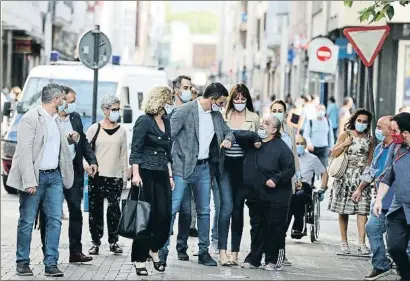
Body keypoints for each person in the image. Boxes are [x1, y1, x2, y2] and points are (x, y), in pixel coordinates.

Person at [159, 82, 235, 267]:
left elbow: (229, 132)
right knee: (173, 209)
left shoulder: (216, 116)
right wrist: (170, 165)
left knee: (204, 211)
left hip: (203, 168)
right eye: (221, 102)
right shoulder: (185, 110)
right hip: (181, 169)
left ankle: (203, 252)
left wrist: (227, 139)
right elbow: (168, 138)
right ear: (211, 99)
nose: (223, 106)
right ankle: (161, 251)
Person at [7, 84, 74, 277]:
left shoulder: (56, 120)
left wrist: (69, 138)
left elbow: (53, 145)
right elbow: (26, 151)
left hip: (54, 177)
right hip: (35, 176)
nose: (64, 102)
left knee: (55, 220)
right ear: (55, 99)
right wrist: (29, 181)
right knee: (27, 221)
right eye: (62, 99)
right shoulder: (30, 118)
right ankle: (22, 262)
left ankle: (51, 263)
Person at [38, 86, 98, 263]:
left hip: (73, 171)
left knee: (75, 211)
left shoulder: (76, 117)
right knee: (49, 213)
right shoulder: (50, 118)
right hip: (53, 170)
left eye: (74, 102)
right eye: (70, 102)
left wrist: (92, 161)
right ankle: (47, 251)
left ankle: (75, 251)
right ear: (61, 101)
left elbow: (84, 142)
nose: (73, 105)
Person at [239, 115, 295, 271]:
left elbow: (290, 169)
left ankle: (272, 260)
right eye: (262, 122)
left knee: (274, 229)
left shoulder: (281, 147)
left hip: (276, 198)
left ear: (274, 130)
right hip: (255, 196)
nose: (263, 125)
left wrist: (276, 179)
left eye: (267, 123)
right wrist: (253, 137)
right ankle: (254, 259)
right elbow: (236, 134)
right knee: (256, 228)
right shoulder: (254, 143)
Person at [129, 87, 174, 276]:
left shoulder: (166, 121)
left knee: (164, 216)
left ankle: (153, 248)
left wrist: (170, 175)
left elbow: (167, 152)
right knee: (144, 219)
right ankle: (140, 260)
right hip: (145, 174)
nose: (170, 104)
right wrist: (136, 174)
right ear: (160, 101)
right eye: (168, 100)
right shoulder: (144, 121)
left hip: (162, 173)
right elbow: (136, 149)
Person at [351, 116, 394, 280]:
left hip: (397, 202)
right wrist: (359, 189)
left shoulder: (399, 149)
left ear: (390, 129)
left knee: (397, 240)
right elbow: (371, 171)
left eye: (379, 127)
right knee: (372, 228)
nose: (376, 130)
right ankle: (381, 265)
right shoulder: (379, 149)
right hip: (380, 202)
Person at [222, 84, 260, 266]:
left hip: (243, 168)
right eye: (236, 98)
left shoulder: (254, 118)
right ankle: (221, 247)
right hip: (225, 166)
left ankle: (235, 251)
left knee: (237, 209)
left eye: (243, 98)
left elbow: (256, 141)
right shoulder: (223, 115)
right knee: (225, 207)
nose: (239, 101)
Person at [86, 95, 128, 256]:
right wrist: (87, 166)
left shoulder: (122, 131)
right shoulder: (94, 129)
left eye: (118, 109)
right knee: (95, 210)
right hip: (97, 176)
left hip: (115, 176)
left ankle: (113, 241)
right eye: (114, 109)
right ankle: (95, 242)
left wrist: (125, 176)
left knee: (114, 209)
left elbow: (124, 154)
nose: (117, 112)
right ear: (105, 110)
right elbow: (86, 151)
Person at [328, 109, 374, 255]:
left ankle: (362, 243)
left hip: (361, 179)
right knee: (343, 210)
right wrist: (344, 144)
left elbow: (370, 160)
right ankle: (344, 242)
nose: (361, 124)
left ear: (368, 124)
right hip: (345, 177)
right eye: (359, 120)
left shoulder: (370, 139)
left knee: (363, 210)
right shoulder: (346, 134)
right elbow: (333, 153)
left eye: (364, 121)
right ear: (354, 120)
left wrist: (368, 178)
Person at [373, 112, 410, 281]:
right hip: (399, 207)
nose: (391, 134)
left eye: (395, 130)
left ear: (406, 133)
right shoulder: (396, 149)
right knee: (394, 247)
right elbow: (388, 175)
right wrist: (379, 199)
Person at [270, 99, 301, 266]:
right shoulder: (265, 128)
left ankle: (280, 252)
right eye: (274, 109)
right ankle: (267, 251)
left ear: (285, 113)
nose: (276, 113)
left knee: (284, 217)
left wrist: (298, 175)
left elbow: (294, 154)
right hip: (269, 178)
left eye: (279, 110)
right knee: (268, 217)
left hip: (286, 178)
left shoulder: (290, 130)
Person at [288, 134, 328, 238]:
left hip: (304, 187)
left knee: (299, 196)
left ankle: (297, 227)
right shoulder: (287, 156)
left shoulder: (312, 158)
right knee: (289, 197)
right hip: (289, 185)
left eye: (302, 144)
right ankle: (283, 228)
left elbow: (324, 173)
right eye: (297, 143)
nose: (299, 146)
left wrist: (323, 189)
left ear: (305, 145)